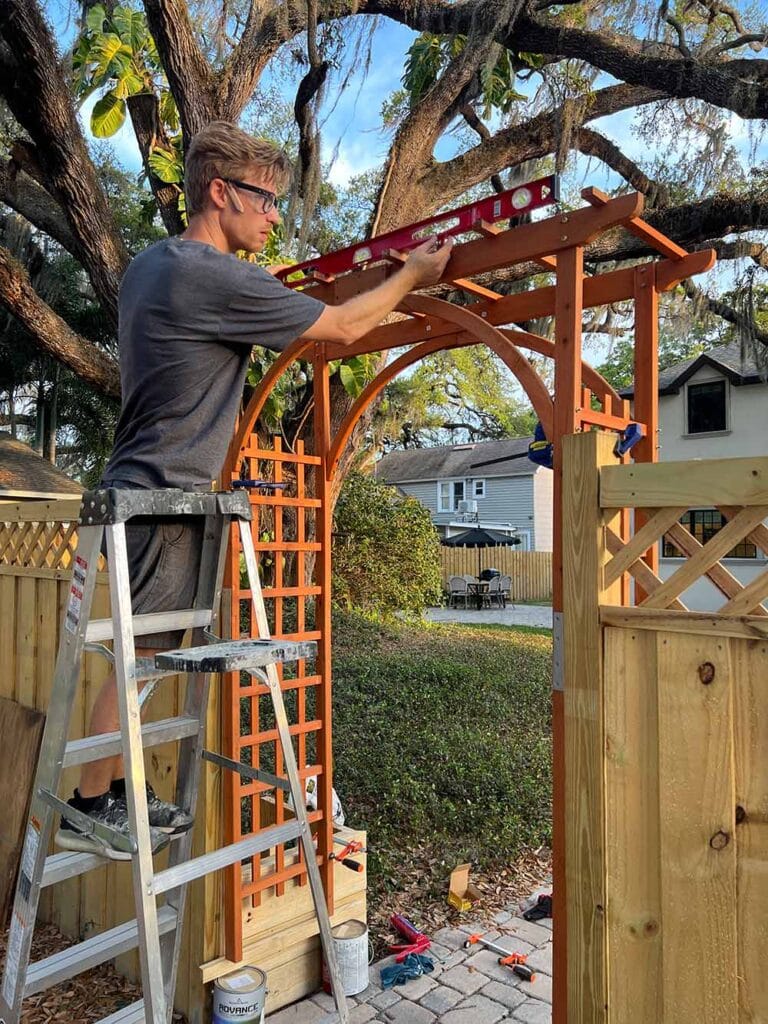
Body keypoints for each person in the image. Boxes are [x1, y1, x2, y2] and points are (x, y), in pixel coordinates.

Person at [56, 120, 453, 859]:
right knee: (142, 653)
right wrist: (407, 278)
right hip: (163, 493)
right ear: (218, 191)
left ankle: (111, 791)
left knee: (146, 648)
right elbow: (337, 328)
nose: (273, 215)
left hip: (141, 487)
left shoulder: (150, 265)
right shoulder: (215, 276)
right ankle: (89, 801)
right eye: (265, 200)